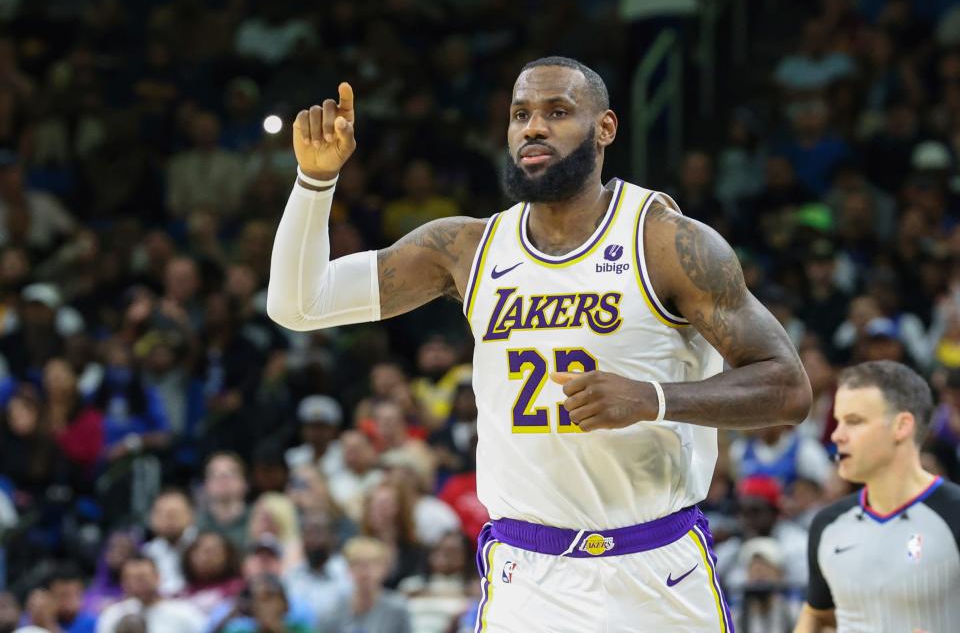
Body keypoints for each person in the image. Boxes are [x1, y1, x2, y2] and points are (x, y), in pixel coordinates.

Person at [267, 57, 811, 631]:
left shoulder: (665, 242)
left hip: (657, 566)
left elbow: (787, 386)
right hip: (528, 575)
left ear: (605, 128)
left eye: (557, 112)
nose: (533, 128)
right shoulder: (466, 248)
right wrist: (314, 181)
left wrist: (652, 398)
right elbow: (298, 305)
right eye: (520, 114)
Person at [794, 360, 960, 633]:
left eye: (854, 422)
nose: (837, 436)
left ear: (902, 426)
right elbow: (817, 615)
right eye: (837, 421)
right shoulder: (828, 524)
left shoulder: (953, 514)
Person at [95, 555, 205, 633]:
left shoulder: (185, 612)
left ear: (158, 577)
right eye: (129, 579)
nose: (135, 584)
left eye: (142, 578)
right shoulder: (112, 615)